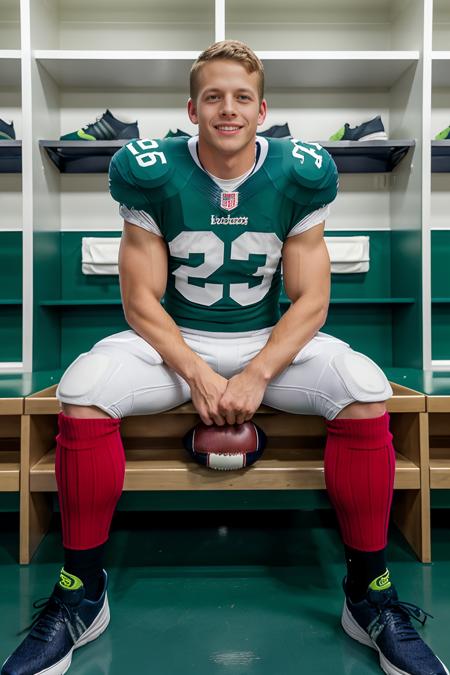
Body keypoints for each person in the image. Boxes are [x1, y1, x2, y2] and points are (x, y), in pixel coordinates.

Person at [2, 40, 448, 675]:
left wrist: (259, 371)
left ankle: (369, 594)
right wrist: (198, 371)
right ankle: (81, 592)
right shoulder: (148, 169)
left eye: (242, 97)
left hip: (266, 342)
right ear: (192, 108)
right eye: (213, 96)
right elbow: (139, 302)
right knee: (84, 385)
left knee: (362, 383)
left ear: (262, 110)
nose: (228, 109)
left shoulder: (301, 170)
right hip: (174, 342)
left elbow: (312, 301)